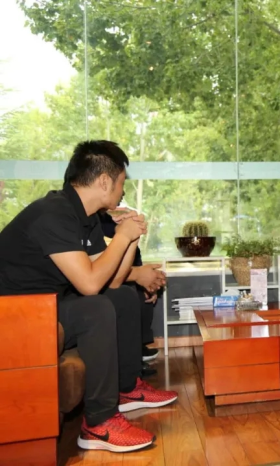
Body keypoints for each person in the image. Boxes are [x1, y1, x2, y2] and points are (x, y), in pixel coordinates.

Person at [0, 140, 177, 453]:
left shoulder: (87, 216)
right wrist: (121, 237)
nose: (123, 190)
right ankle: (99, 423)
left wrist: (131, 239)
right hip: (15, 314)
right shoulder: (52, 213)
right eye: (121, 182)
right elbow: (90, 285)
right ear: (105, 181)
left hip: (46, 306)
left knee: (122, 298)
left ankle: (126, 389)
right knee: (96, 308)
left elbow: (114, 280)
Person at [100, 211, 166, 377]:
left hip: (117, 277)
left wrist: (145, 282)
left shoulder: (106, 219)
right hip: (100, 283)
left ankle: (137, 351)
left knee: (139, 295)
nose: (121, 195)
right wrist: (138, 276)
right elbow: (99, 272)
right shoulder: (87, 222)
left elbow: (133, 257)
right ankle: (131, 368)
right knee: (126, 295)